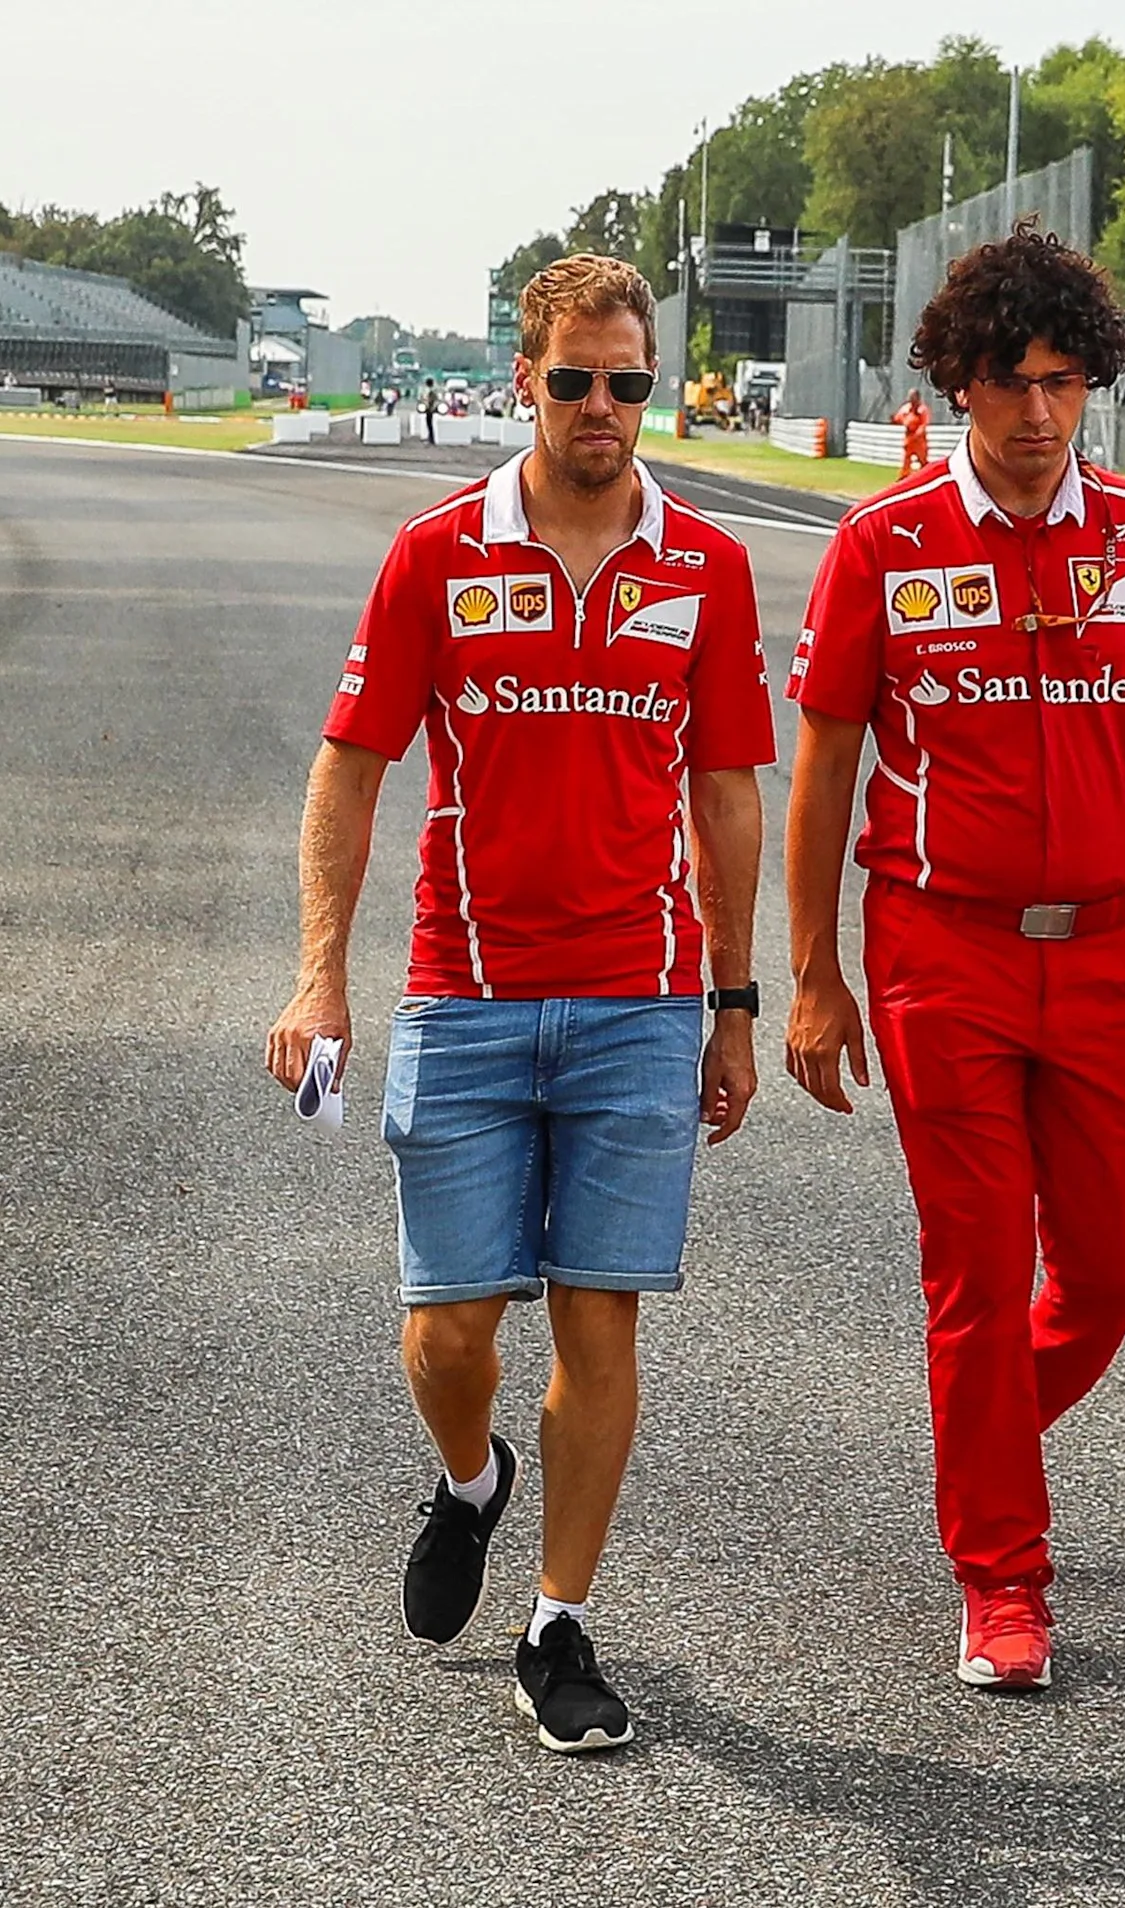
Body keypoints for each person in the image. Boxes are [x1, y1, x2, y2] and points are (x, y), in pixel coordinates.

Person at [262, 253, 771, 1755]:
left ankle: (560, 1619)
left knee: (601, 1318)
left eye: (629, 380)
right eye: (575, 380)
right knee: (450, 1328)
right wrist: (318, 973)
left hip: (635, 1003)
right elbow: (351, 767)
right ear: (525, 382)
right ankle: (473, 1477)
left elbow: (726, 793)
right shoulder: (437, 558)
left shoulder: (709, 568)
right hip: (467, 995)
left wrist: (734, 999)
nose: (605, 407)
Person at [781, 225, 1125, 1693]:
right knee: (977, 1277)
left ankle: (976, 1439)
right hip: (938, 951)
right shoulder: (883, 544)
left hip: (1104, 950)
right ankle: (1002, 1577)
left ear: (1092, 382)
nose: (1037, 415)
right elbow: (822, 769)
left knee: (1111, 1271)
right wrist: (811, 973)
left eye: (1063, 383)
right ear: (956, 388)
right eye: (1007, 384)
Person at [894, 387, 931, 478]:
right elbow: (898, 418)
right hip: (909, 436)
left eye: (913, 396)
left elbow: (924, 423)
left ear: (918, 397)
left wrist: (918, 433)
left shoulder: (922, 409)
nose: (910, 398)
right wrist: (896, 419)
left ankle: (925, 477)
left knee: (922, 460)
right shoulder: (906, 408)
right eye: (910, 396)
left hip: (919, 439)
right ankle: (903, 478)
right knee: (906, 459)